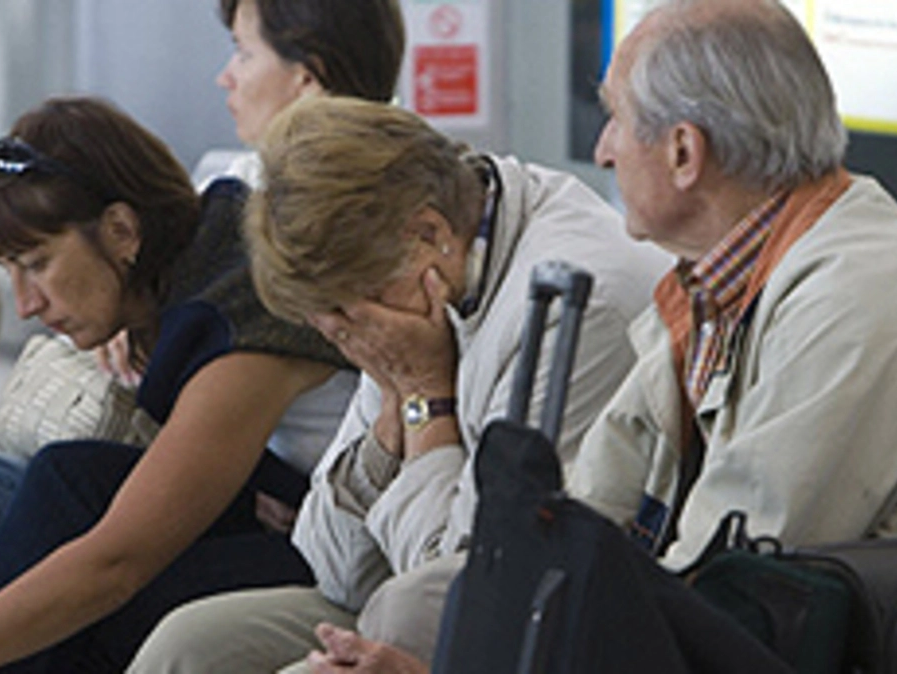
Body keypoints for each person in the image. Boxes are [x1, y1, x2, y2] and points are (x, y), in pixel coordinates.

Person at [235, 0, 897, 670]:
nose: (601, 151)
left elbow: (725, 600)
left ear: (683, 152)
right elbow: (573, 525)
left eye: (616, 119)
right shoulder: (708, 289)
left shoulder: (857, 305)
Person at [0, 1, 407, 669]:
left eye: (37, 264)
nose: (25, 305)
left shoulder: (246, 307)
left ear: (124, 231)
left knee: (59, 511)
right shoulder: (202, 246)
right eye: (10, 271)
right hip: (250, 510)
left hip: (323, 552)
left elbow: (117, 563)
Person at [128, 95, 670, 672]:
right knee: (188, 644)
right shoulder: (413, 276)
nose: (343, 333)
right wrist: (392, 414)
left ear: (428, 233)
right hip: (407, 584)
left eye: (346, 308)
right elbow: (331, 567)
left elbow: (468, 591)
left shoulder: (568, 305)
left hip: (542, 624)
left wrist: (426, 394)